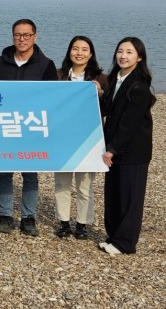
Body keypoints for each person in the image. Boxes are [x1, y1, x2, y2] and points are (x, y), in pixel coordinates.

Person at [0, 19, 57, 236]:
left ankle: (28, 217)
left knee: (30, 174)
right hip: (6, 125)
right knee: (4, 172)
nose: (22, 39)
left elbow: (53, 98)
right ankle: (5, 216)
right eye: (17, 35)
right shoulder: (0, 62)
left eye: (26, 35)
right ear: (13, 37)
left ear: (35, 37)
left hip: (31, 127)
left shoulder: (46, 64)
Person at [99, 37, 155, 255]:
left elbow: (128, 124)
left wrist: (112, 149)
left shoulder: (139, 86)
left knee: (130, 198)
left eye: (129, 52)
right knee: (114, 193)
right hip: (114, 148)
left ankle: (125, 243)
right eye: (120, 51)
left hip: (133, 151)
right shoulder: (115, 79)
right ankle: (113, 236)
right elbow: (105, 109)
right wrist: (96, 91)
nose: (123, 56)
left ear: (139, 57)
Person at [54, 36, 108, 240]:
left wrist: (100, 93)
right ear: (69, 51)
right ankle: (64, 222)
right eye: (75, 48)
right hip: (62, 137)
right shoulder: (59, 76)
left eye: (84, 49)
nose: (79, 53)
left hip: (89, 139)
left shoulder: (101, 78)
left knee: (84, 185)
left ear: (91, 53)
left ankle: (83, 223)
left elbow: (106, 109)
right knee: (62, 183)